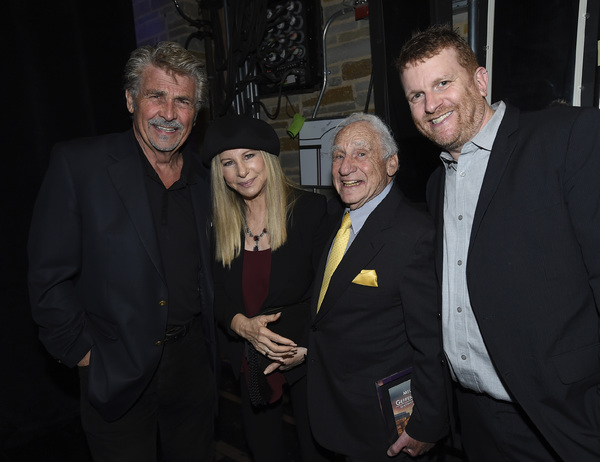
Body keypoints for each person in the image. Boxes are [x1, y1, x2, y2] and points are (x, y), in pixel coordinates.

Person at [396, 24, 600, 461]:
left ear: (481, 80)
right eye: (416, 95)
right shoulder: (436, 184)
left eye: (443, 83)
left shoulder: (565, 138)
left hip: (567, 417)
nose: (431, 105)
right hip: (477, 420)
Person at [28, 42, 216, 461]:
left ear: (195, 113)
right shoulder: (80, 166)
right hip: (115, 366)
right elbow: (47, 276)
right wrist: (83, 354)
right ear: (131, 99)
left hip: (192, 366)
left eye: (183, 101)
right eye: (157, 95)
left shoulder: (206, 179)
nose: (169, 112)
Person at [307, 112, 448, 461]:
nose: (344, 166)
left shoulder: (415, 235)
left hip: (384, 426)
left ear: (391, 163)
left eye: (360, 153)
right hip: (334, 407)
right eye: (338, 155)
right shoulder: (333, 220)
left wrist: (427, 423)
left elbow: (431, 342)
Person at [201, 114, 332, 462]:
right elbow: (212, 289)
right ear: (220, 173)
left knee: (316, 449)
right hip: (248, 356)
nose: (241, 171)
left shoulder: (310, 211)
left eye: (249, 156)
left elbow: (329, 293)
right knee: (264, 450)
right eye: (228, 162)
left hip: (304, 356)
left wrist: (307, 347)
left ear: (268, 159)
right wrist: (240, 325)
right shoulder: (219, 225)